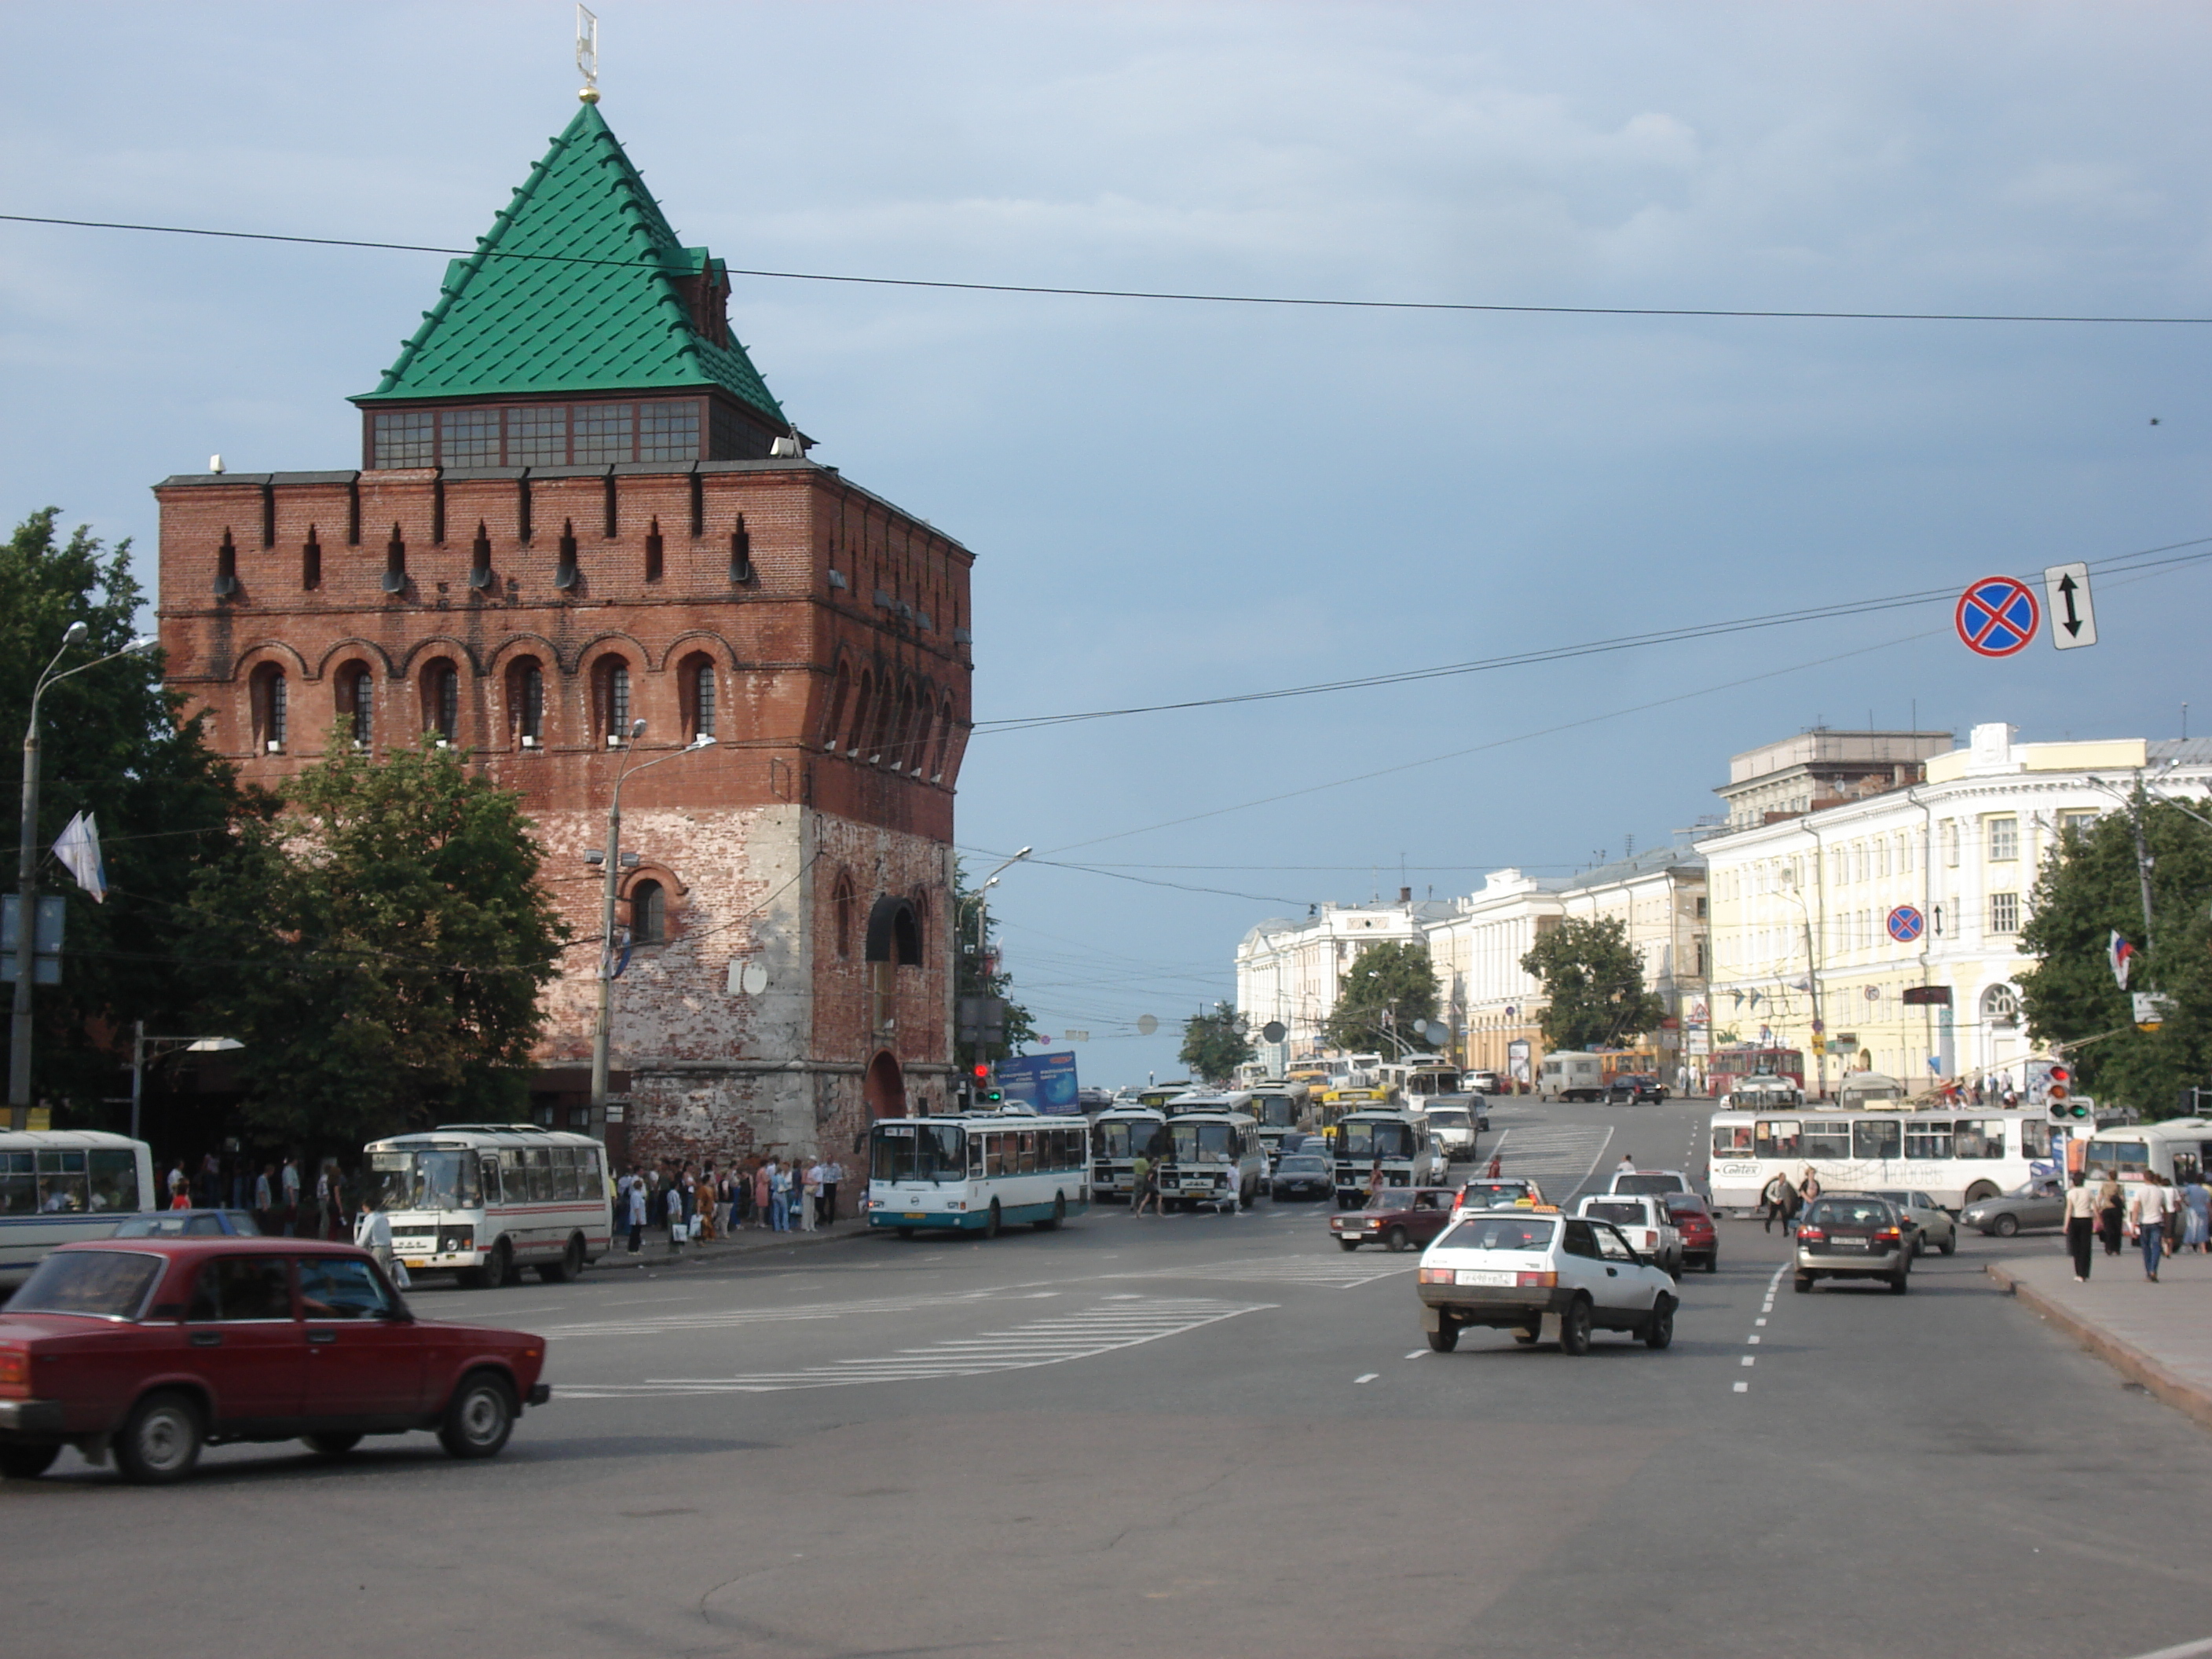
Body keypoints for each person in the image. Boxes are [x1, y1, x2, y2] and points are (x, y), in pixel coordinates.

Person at [2133, 1173, 2174, 1281]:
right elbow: (2164, 1209)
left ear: (2144, 1178)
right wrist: (2166, 1223)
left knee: (2146, 1248)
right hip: (2157, 1222)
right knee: (2156, 1247)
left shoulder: (2140, 1191)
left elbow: (2136, 1209)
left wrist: (2133, 1225)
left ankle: (2148, 1271)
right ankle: (2153, 1270)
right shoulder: (2160, 1191)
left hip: (2144, 1222)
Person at [2063, 1171, 2099, 1281]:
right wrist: (2099, 1219)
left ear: (2073, 1181)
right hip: (2087, 1219)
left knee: (2076, 1247)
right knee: (2086, 1247)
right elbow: (2095, 1208)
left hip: (2075, 1220)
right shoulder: (2089, 1192)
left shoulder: (2071, 1193)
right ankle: (2085, 1273)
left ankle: (2078, 1273)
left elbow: (2069, 1210)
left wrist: (2066, 1225)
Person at [2097, 1172, 2127, 1257]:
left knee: (2108, 1229)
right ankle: (2117, 1248)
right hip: (2117, 1209)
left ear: (2109, 1177)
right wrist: (2124, 1207)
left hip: (2106, 1209)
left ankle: (2108, 1248)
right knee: (2117, 1229)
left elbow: (2100, 1197)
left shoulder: (2105, 1185)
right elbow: (2122, 1198)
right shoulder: (2119, 1186)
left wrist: (2099, 1206)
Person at [2184, 1174, 2211, 1254]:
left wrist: (2186, 1203)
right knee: (2202, 1229)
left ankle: (2189, 1246)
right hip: (2203, 1211)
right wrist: (2210, 1214)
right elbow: (2208, 1205)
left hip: (2192, 1210)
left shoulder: (2190, 1188)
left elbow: (2182, 1195)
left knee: (2191, 1227)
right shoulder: (2205, 1191)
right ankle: (2203, 1248)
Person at [624, 1167, 647, 1254]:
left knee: (637, 1233)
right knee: (634, 1234)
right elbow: (636, 1207)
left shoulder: (638, 1194)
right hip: (636, 1217)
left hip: (639, 1216)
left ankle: (636, 1249)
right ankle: (632, 1249)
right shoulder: (636, 1195)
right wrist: (638, 1218)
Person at [280, 1155, 301, 1236]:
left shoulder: (293, 1170)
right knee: (290, 1216)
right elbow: (290, 1186)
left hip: (294, 1193)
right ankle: (288, 1235)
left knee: (294, 1216)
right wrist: (292, 1200)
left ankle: (290, 1234)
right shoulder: (288, 1170)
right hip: (291, 1194)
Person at [1131, 1150, 1156, 1217]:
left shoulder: (1136, 1161)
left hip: (1136, 1176)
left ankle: (1132, 1205)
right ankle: (1141, 1205)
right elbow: (1148, 1170)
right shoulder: (1144, 1161)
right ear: (1143, 1155)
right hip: (1143, 1177)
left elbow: (1133, 1169)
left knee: (1135, 1192)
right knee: (1142, 1192)